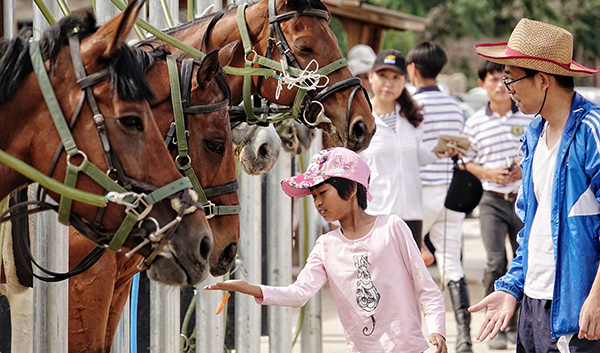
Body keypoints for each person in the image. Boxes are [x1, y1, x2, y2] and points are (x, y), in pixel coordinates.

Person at [205, 147, 448, 353]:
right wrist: (253, 289)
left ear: (351, 189)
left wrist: (437, 330)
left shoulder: (392, 228)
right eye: (313, 196)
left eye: (323, 193)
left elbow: (427, 289)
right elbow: (299, 294)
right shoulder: (326, 246)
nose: (318, 203)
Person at [468, 18, 600, 352]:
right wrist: (512, 287)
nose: (507, 87)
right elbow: (533, 226)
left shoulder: (591, 130)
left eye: (511, 77)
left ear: (542, 79)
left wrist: (596, 297)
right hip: (533, 302)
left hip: (578, 310)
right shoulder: (532, 135)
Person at [462, 60, 534, 349]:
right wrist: (489, 173)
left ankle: (515, 321)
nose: (498, 86)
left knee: (524, 258)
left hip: (523, 200)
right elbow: (466, 161)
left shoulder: (530, 117)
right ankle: (494, 322)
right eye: (492, 80)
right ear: (482, 85)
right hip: (491, 200)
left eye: (504, 79)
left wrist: (522, 169)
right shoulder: (474, 122)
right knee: (495, 261)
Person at [406, 41, 473, 353]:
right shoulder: (453, 103)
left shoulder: (409, 102)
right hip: (450, 194)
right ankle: (463, 337)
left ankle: (413, 335)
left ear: (412, 69)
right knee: (451, 264)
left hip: (419, 195)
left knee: (404, 266)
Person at [360, 49, 455, 251]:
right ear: (370, 77)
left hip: (411, 214)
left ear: (404, 81)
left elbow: (415, 155)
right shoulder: (360, 122)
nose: (388, 83)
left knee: (408, 279)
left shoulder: (411, 118)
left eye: (396, 77)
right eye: (383, 76)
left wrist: (439, 151)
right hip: (376, 214)